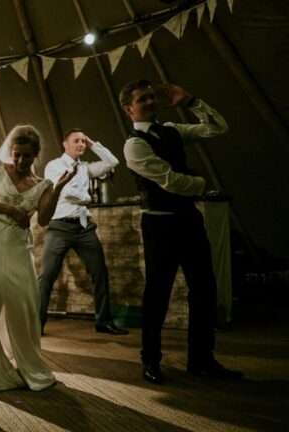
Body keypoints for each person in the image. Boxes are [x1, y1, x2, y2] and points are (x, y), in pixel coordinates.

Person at [119, 79, 243, 384]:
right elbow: (171, 181)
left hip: (188, 219)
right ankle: (151, 361)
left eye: (151, 97)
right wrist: (200, 184)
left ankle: (201, 359)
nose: (150, 102)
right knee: (157, 294)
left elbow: (217, 128)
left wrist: (190, 101)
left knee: (204, 289)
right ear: (129, 109)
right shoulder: (134, 144)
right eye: (142, 99)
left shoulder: (173, 129)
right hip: (159, 224)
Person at [0, 124, 75, 391]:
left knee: (25, 307)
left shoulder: (42, 185)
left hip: (19, 249)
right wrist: (9, 208)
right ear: (11, 151)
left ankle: (27, 364)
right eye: (17, 154)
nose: (20, 161)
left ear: (36, 155)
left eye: (27, 156)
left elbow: (43, 219)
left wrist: (57, 190)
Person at [37, 129, 127, 335]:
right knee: (47, 275)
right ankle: (37, 323)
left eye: (83, 142)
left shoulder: (85, 168)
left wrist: (92, 142)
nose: (81, 144)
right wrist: (88, 198)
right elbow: (66, 192)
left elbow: (112, 162)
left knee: (100, 273)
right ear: (64, 144)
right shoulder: (54, 166)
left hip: (84, 227)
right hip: (60, 227)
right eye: (76, 141)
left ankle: (103, 321)